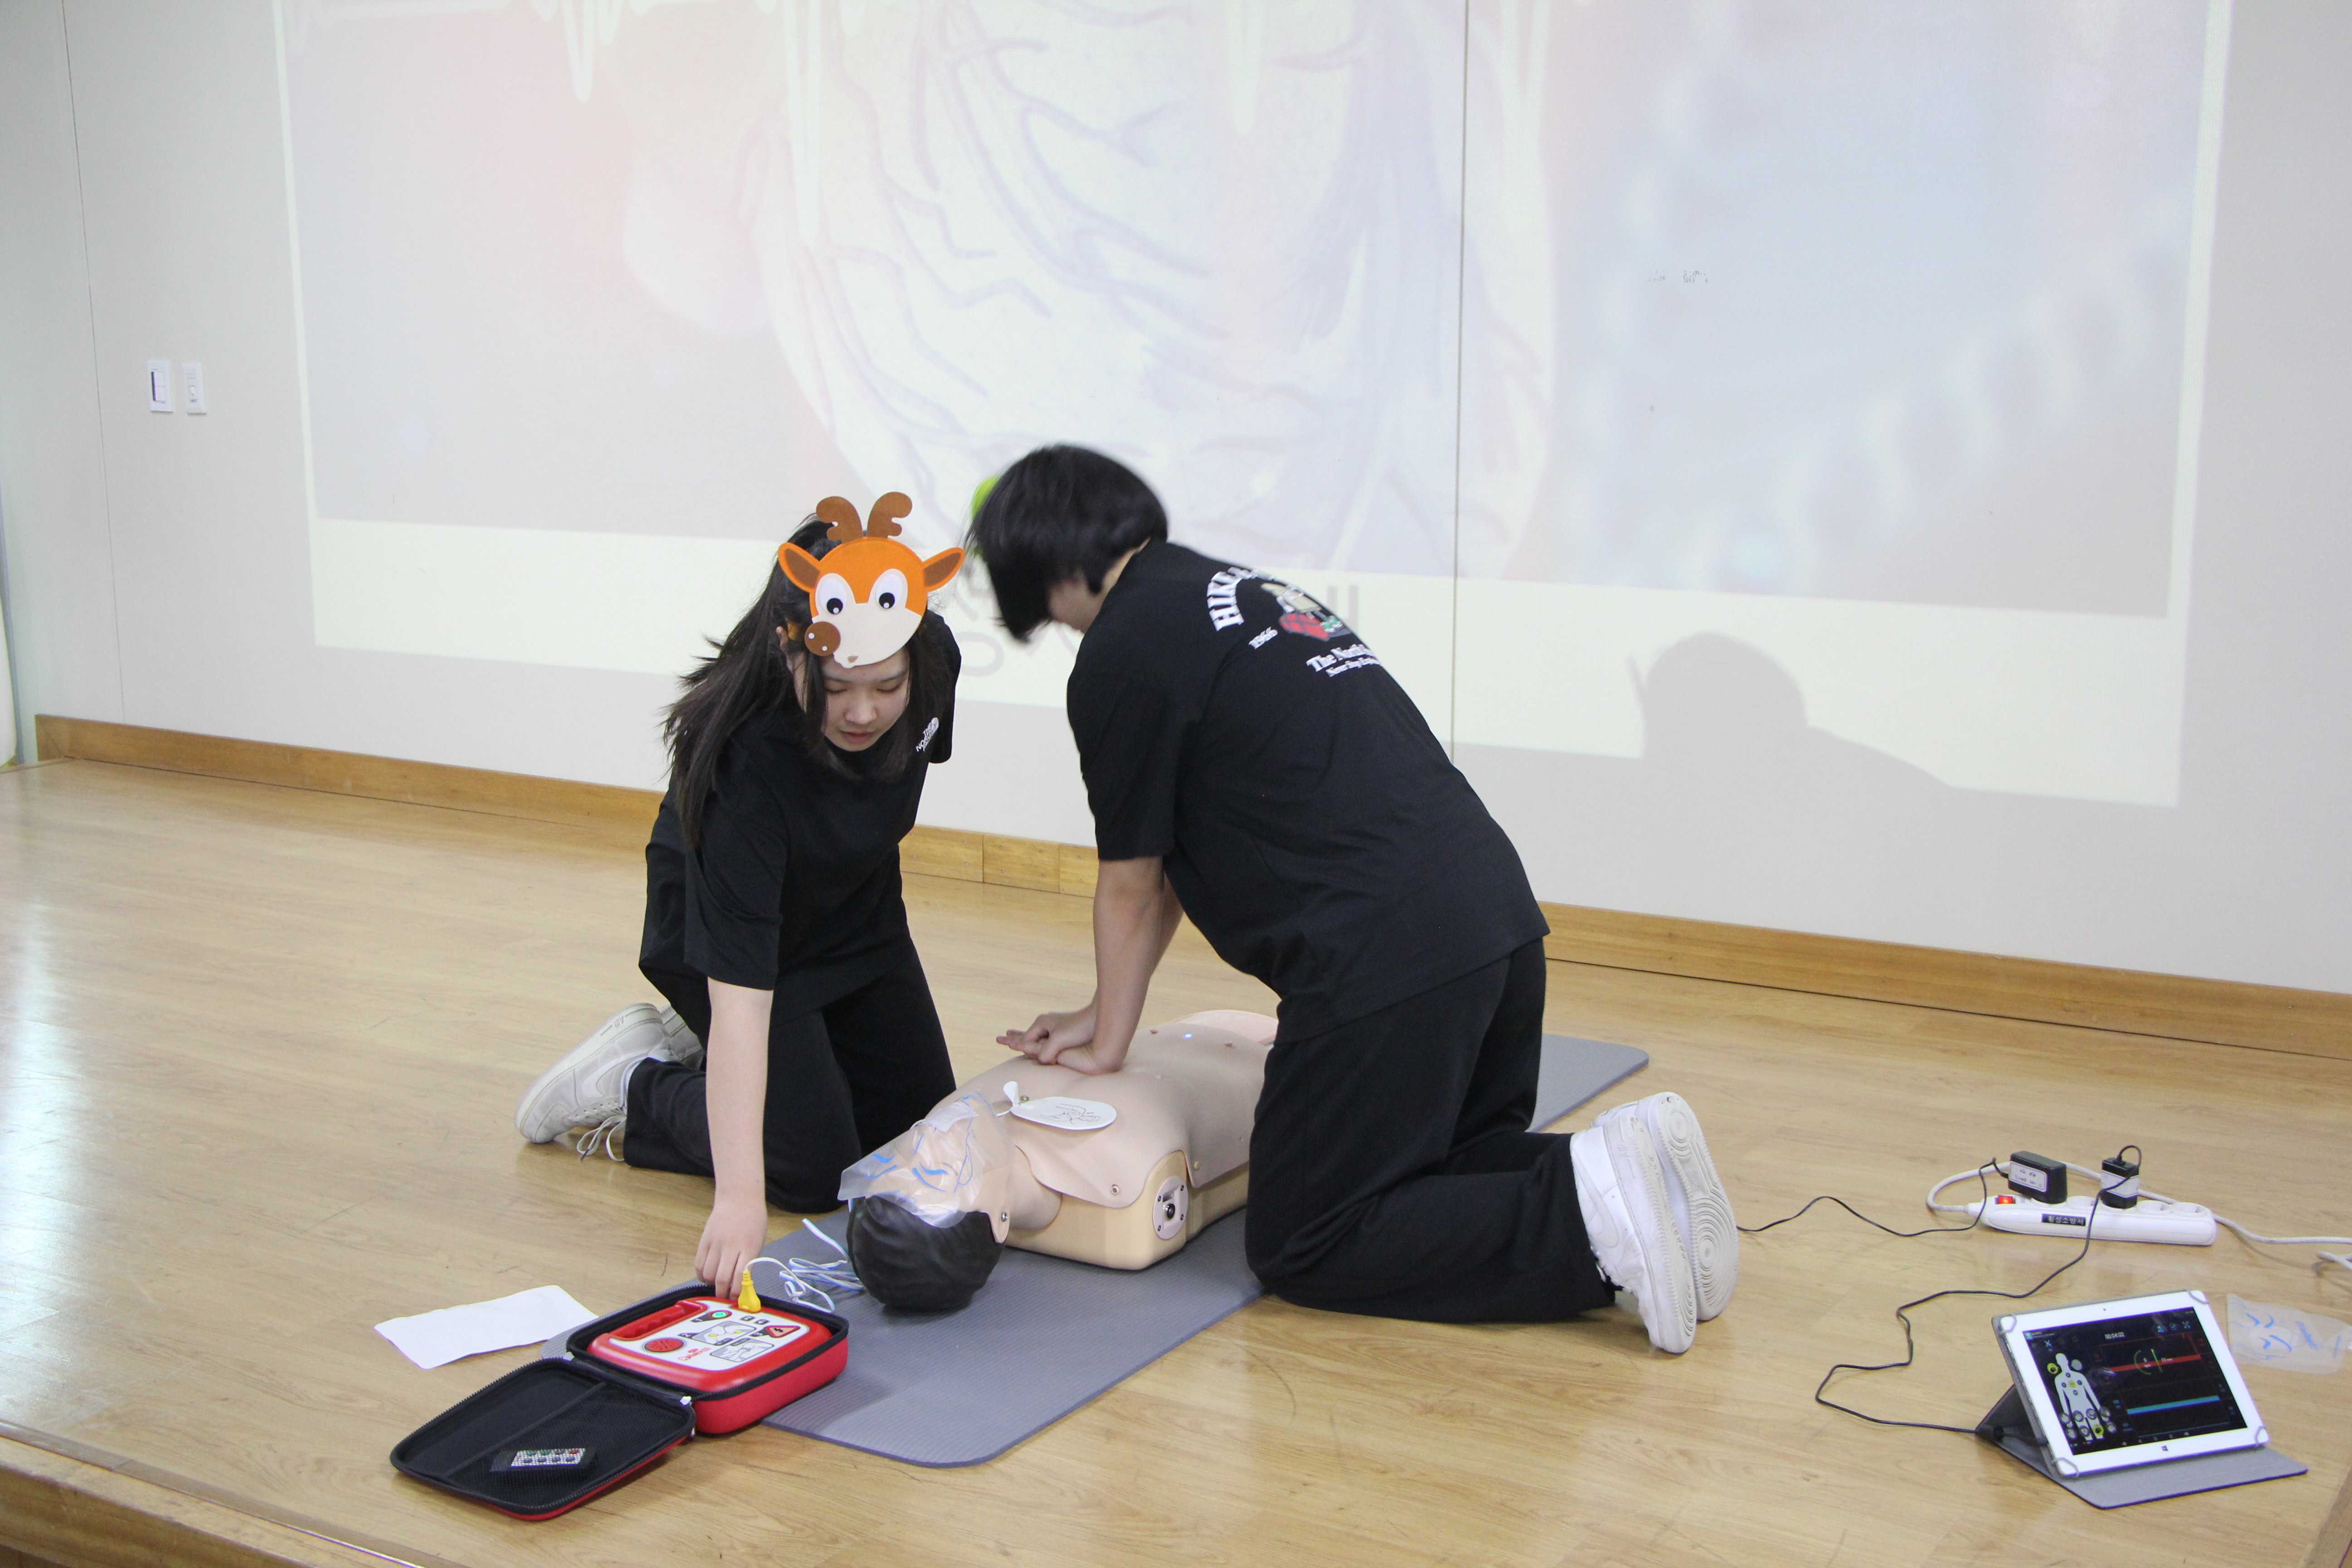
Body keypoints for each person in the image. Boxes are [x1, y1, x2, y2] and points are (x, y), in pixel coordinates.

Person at [966, 446, 1738, 1352]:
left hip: (1381, 958)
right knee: (1442, 1163)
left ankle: (1590, 1220)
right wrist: (1106, 1014)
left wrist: (1106, 1047)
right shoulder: (1238, 592)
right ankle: (1647, 1187)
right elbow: (1169, 856)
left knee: (1307, 1237)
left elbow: (1133, 882)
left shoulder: (1122, 652)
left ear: (1036, 563)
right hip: (1491, 921)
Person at [515, 494, 967, 1300]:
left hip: (856, 914)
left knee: (915, 1145)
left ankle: (731, 1066)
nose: (864, 712)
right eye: (837, 688)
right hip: (738, 941)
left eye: (887, 686)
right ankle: (635, 1083)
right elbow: (745, 999)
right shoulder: (743, 764)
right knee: (813, 1170)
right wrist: (737, 1200)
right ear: (793, 651)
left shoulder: (930, 660)